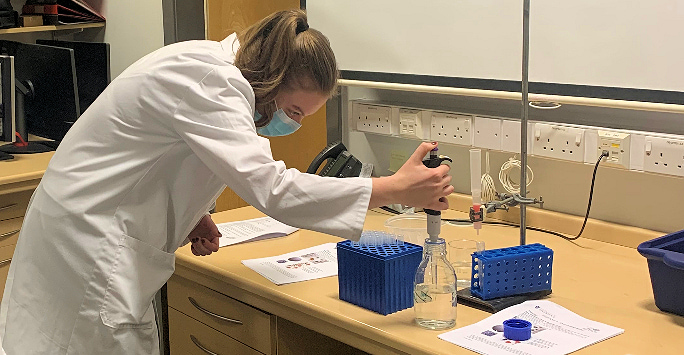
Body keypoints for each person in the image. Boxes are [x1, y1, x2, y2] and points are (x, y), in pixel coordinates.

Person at [0, 9, 453, 355]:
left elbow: (161, 152)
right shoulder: (211, 81)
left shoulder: (211, 66)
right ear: (272, 80)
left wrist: (191, 211)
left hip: (89, 237)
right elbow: (273, 189)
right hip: (88, 257)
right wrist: (393, 187)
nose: (293, 125)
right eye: (295, 112)